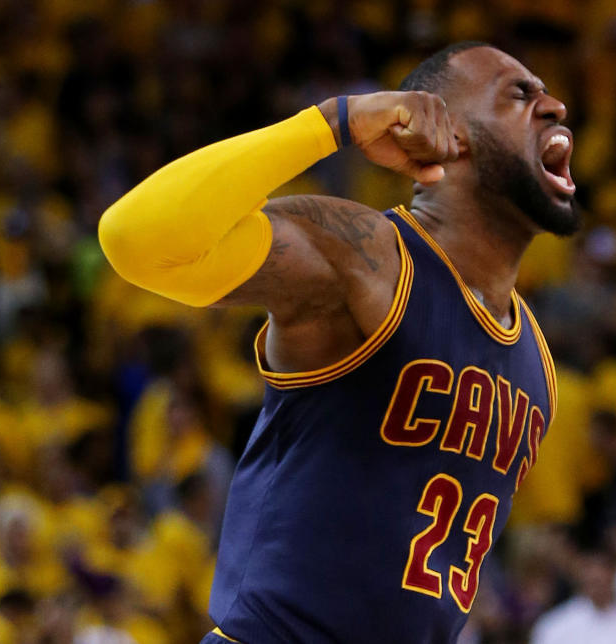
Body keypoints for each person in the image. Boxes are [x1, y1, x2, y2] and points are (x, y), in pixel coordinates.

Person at [98, 41, 578, 644]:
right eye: (519, 93)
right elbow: (135, 238)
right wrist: (335, 123)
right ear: (445, 128)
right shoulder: (367, 259)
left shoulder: (537, 362)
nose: (554, 106)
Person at [529, 549, 616, 644]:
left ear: (615, 573)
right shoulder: (554, 625)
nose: (596, 577)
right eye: (589, 570)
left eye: (602, 571)